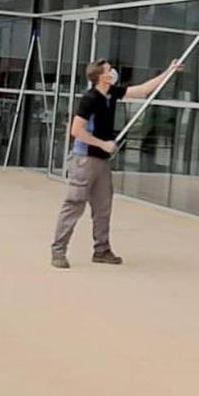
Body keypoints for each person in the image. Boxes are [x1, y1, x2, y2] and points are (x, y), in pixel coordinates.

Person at [50, 58, 181, 269]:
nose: (113, 72)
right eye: (109, 70)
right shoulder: (89, 99)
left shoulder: (111, 93)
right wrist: (102, 144)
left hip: (101, 161)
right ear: (101, 76)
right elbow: (76, 131)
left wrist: (169, 71)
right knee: (74, 204)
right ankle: (58, 251)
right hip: (84, 160)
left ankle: (101, 250)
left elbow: (142, 90)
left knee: (103, 207)